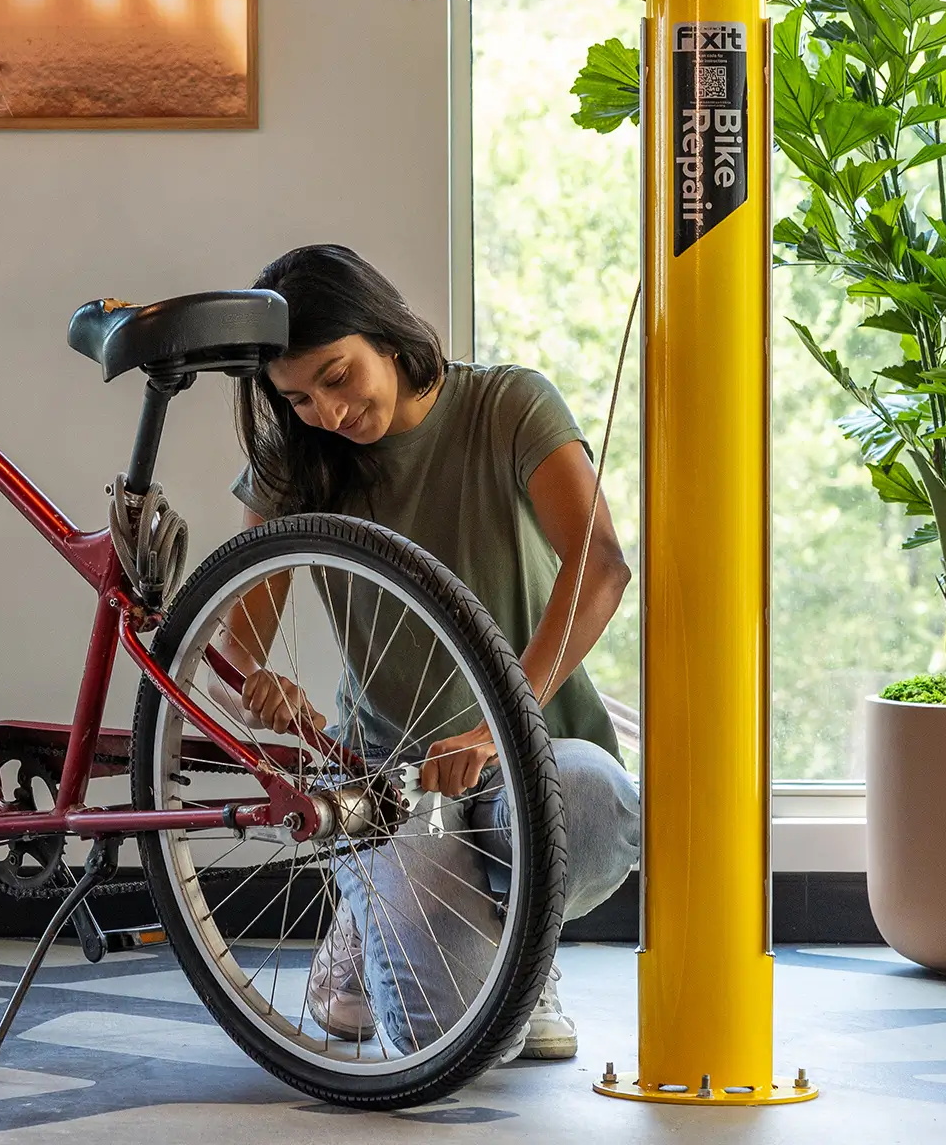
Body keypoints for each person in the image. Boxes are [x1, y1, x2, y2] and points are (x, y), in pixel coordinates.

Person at [224, 242, 642, 1061]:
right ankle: (364, 919)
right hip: (388, 780)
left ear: (385, 333)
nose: (328, 414)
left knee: (594, 810)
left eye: (339, 377)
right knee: (448, 1039)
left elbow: (602, 567)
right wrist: (262, 687)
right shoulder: (296, 460)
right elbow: (235, 645)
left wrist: (498, 728)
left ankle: (529, 950)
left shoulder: (509, 404)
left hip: (534, 749)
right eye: (299, 397)